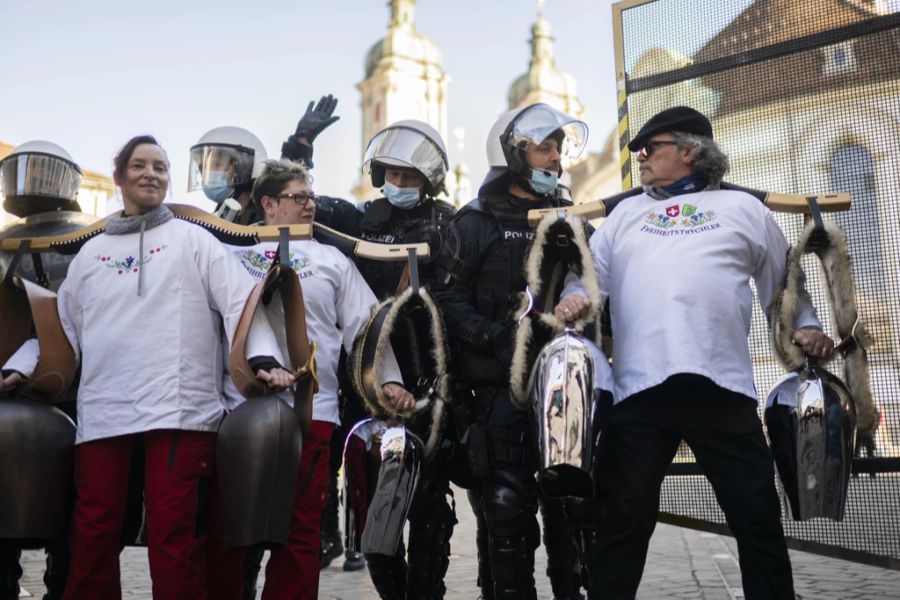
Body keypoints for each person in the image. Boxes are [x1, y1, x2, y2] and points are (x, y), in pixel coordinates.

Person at [557, 106, 835, 600]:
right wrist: (575, 296)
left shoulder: (745, 210)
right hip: (639, 392)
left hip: (721, 387)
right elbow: (589, 280)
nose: (638, 156)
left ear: (689, 151)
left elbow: (784, 289)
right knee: (621, 527)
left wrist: (809, 328)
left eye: (650, 147)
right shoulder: (623, 215)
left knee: (757, 522)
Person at [57, 135, 292, 600]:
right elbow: (63, 329)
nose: (151, 174)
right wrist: (24, 369)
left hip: (180, 408)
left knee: (174, 536)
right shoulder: (88, 255)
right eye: (140, 165)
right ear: (120, 175)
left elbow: (240, 304)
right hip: (105, 410)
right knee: (93, 533)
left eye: (160, 167)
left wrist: (262, 359)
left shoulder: (195, 240)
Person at [226, 158, 412, 600]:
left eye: (311, 196)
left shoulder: (333, 259)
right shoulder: (234, 254)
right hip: (242, 411)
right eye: (298, 197)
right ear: (268, 203)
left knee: (302, 528)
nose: (311, 204)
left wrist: (385, 381)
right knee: (236, 526)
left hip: (314, 409)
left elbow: (365, 327)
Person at [435, 102, 590, 600]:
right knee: (505, 516)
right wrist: (495, 337)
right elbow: (445, 298)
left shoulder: (568, 218)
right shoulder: (474, 222)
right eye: (544, 147)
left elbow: (593, 278)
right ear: (513, 153)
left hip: (561, 389)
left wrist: (580, 296)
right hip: (494, 392)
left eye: (559, 148)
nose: (555, 158)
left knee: (572, 514)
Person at [0, 140, 89, 600]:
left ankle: (63, 587)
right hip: (8, 391)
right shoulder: (3, 243)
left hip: (79, 385)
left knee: (73, 509)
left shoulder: (89, 241)